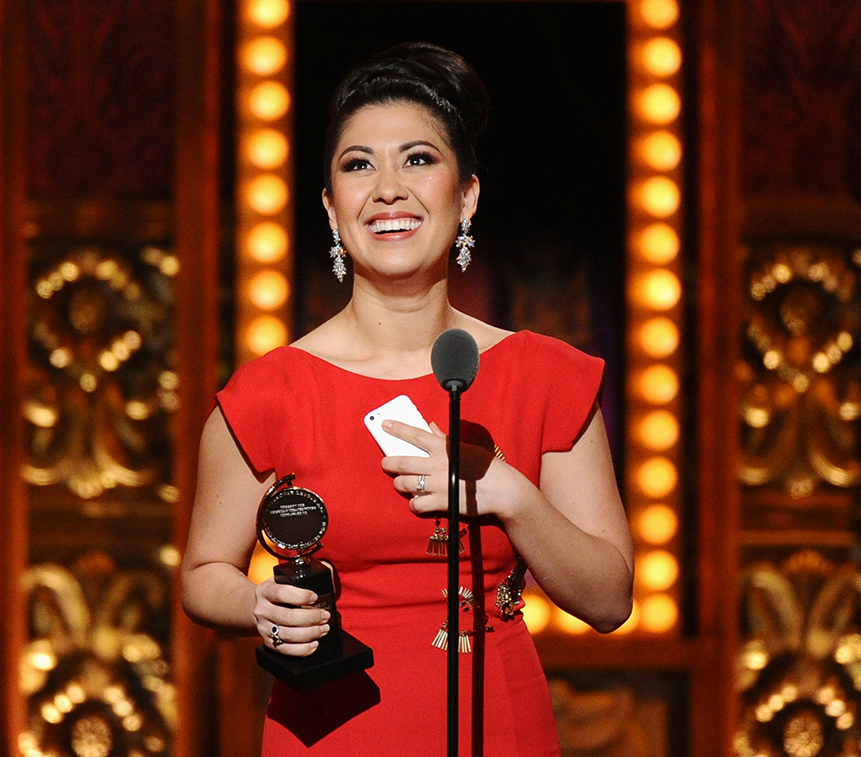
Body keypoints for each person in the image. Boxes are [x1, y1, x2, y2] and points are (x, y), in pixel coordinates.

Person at [181, 42, 634, 756]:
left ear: (468, 195)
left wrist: (509, 494)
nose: (388, 188)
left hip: (498, 727)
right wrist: (259, 605)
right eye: (358, 165)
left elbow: (609, 599)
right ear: (332, 208)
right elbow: (205, 573)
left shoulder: (544, 375)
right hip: (330, 729)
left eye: (418, 159)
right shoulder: (270, 389)